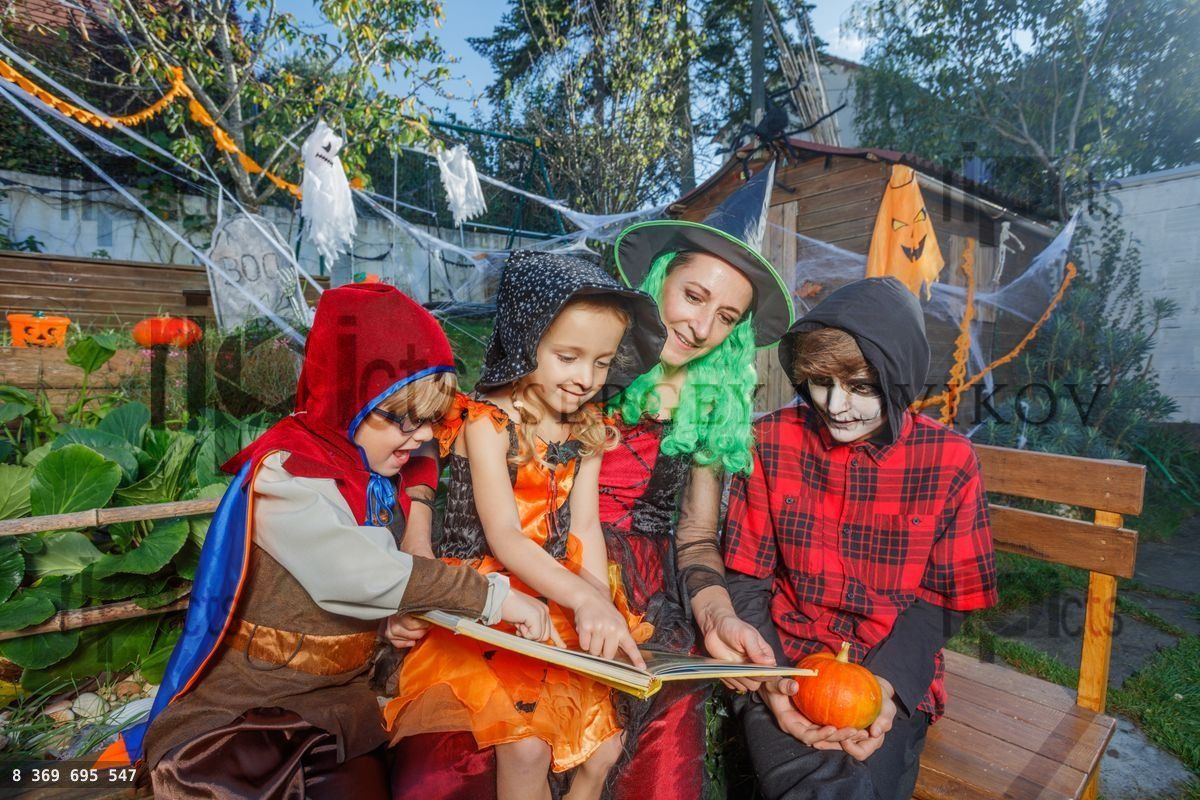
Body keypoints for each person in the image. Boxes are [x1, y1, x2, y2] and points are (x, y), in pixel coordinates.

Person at [391, 160, 798, 800]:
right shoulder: (575, 358)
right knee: (474, 755)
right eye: (694, 297)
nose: (700, 327)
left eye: (726, 317)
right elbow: (444, 459)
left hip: (637, 590)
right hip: (523, 567)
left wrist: (714, 611)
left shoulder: (706, 410)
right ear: (660, 280)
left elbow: (694, 541)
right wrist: (417, 546)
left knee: (636, 752)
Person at [96, 283, 554, 800]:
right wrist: (494, 596)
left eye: (428, 420)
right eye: (401, 418)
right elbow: (354, 572)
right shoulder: (287, 475)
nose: (422, 436)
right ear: (346, 399)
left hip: (337, 711)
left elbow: (371, 575)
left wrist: (387, 621)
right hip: (248, 710)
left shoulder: (371, 466)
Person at [384, 251, 668, 800]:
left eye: (602, 362)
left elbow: (584, 525)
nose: (586, 378)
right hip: (488, 595)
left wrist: (597, 599)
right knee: (525, 747)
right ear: (523, 342)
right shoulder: (484, 422)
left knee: (605, 748)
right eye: (568, 357)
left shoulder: (586, 428)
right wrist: (582, 601)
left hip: (552, 588)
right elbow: (506, 538)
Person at [723, 277, 999, 800]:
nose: (836, 405)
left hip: (888, 665)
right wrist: (771, 682)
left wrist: (888, 687)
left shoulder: (949, 462)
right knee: (808, 778)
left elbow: (943, 601)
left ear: (898, 380)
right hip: (781, 653)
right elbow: (746, 575)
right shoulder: (772, 441)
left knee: (862, 777)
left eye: (861, 387)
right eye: (819, 383)